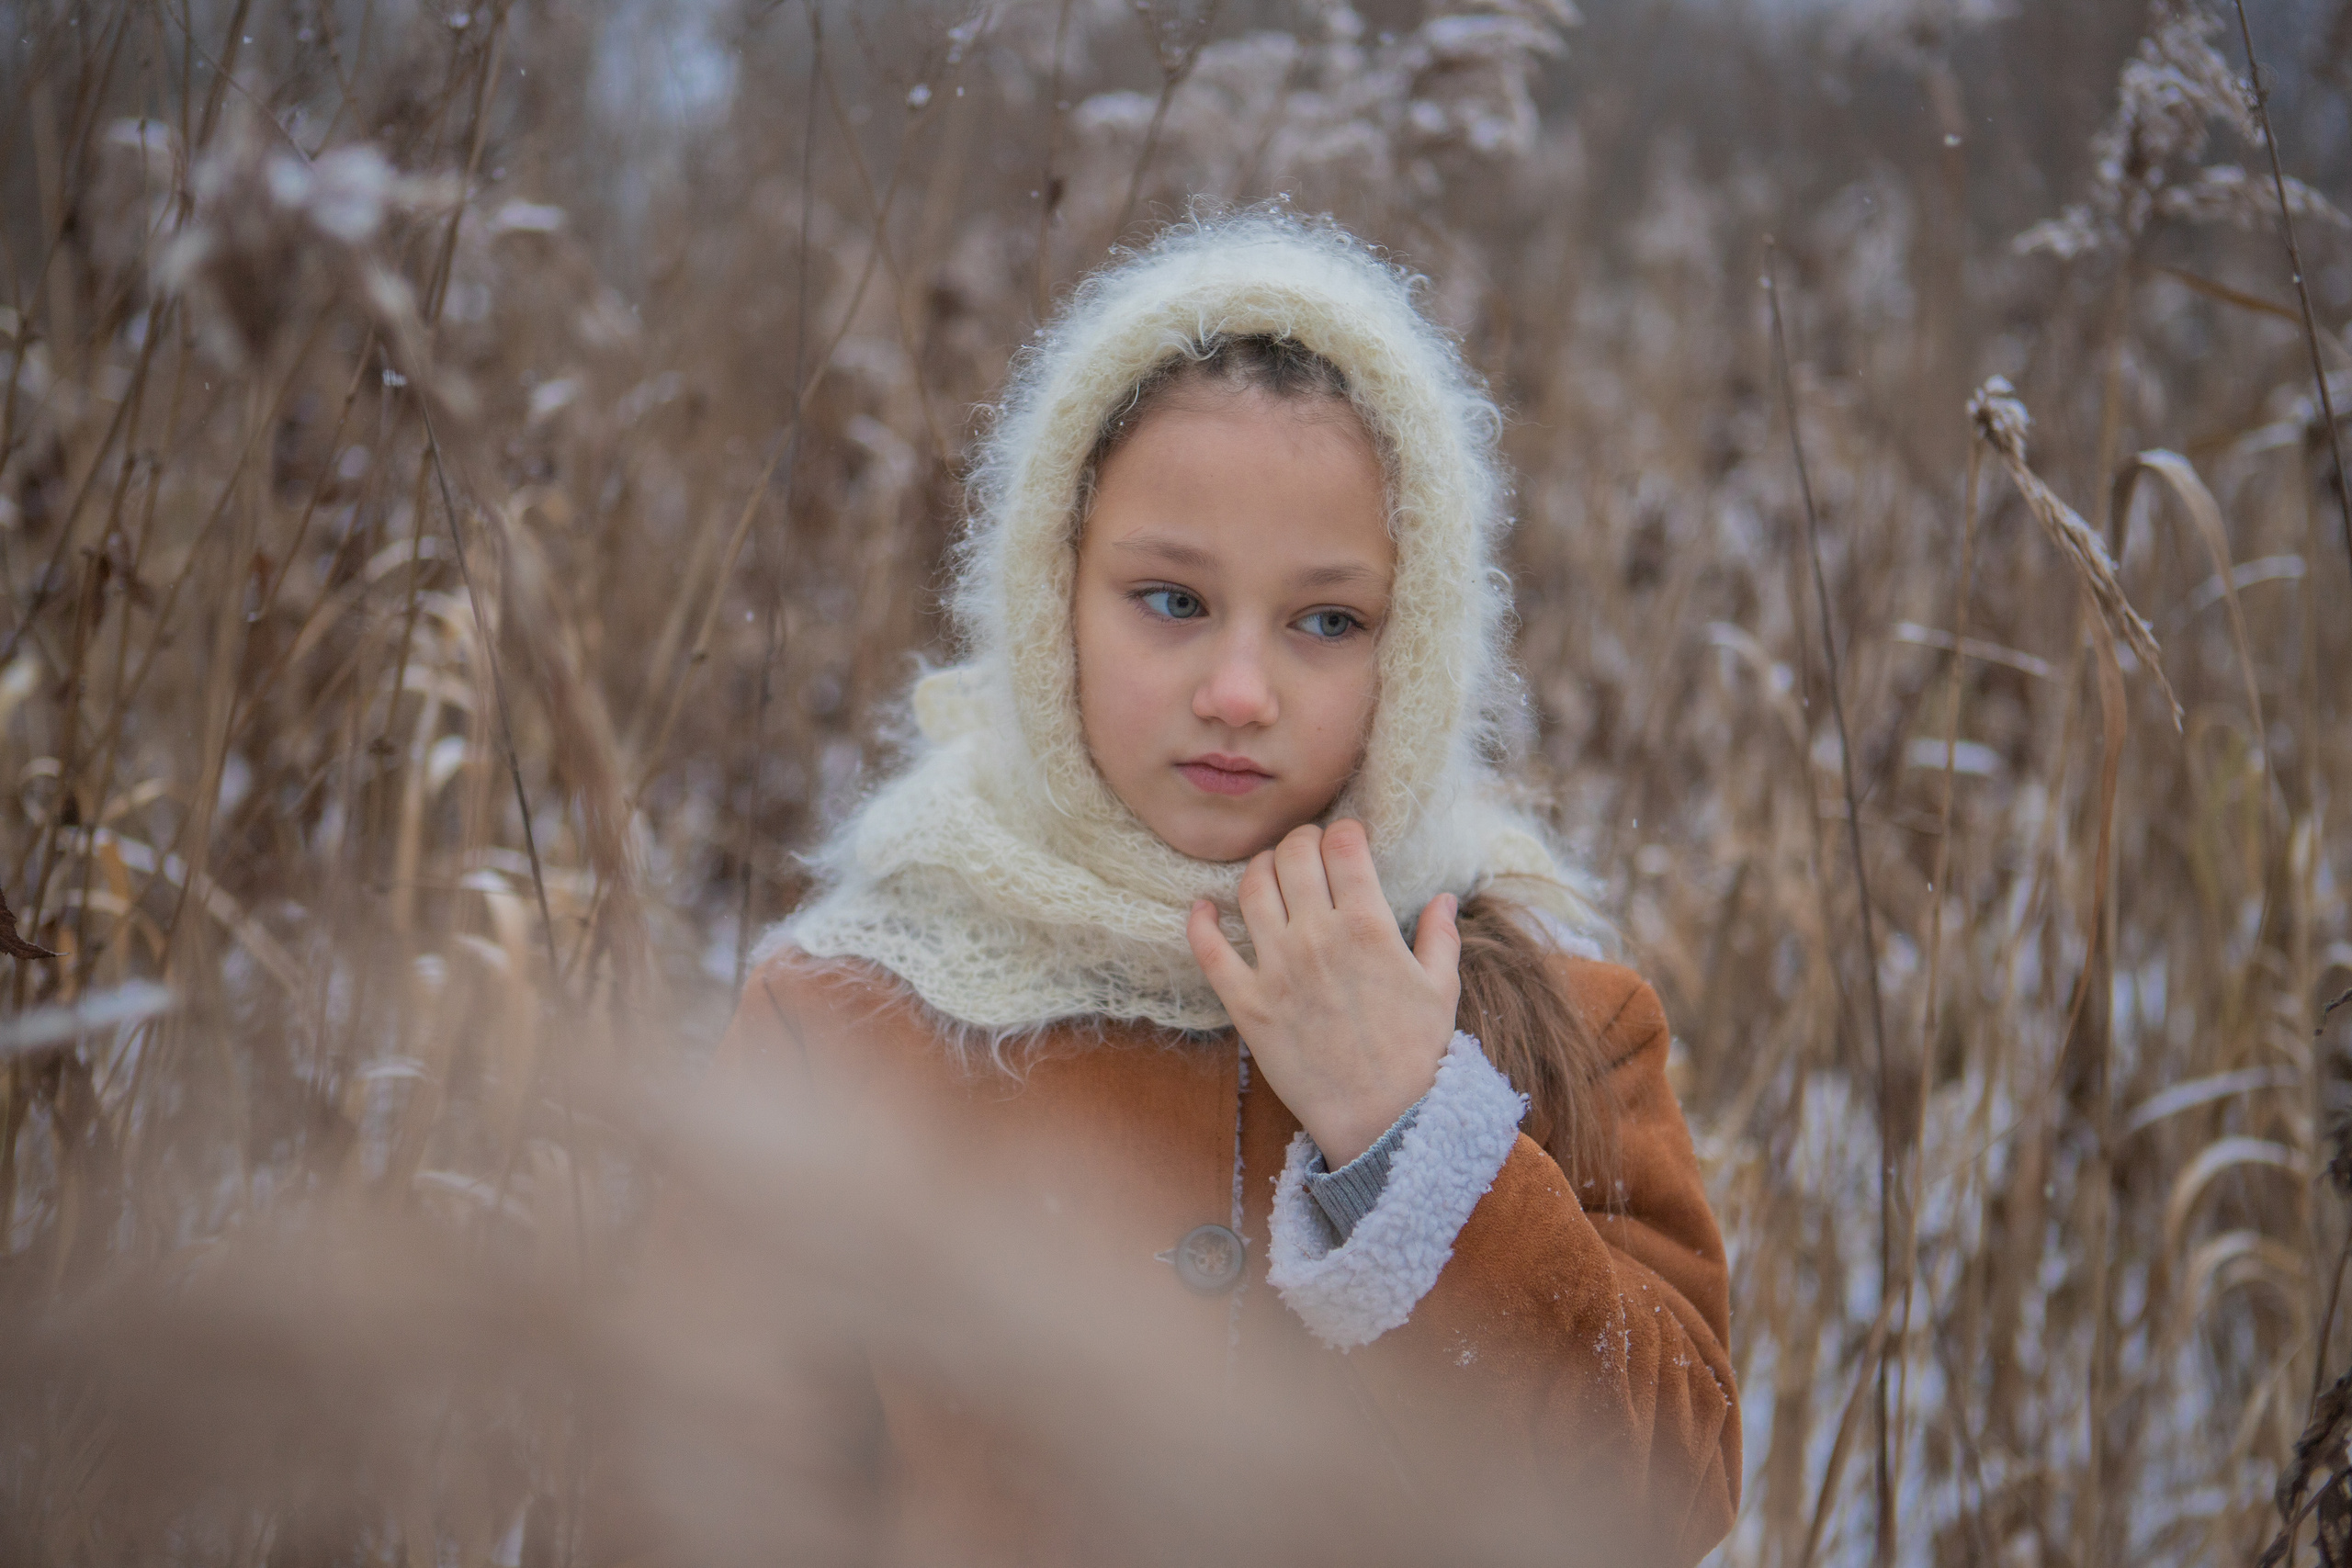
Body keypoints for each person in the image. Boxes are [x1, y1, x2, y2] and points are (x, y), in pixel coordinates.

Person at [710, 209, 1739, 1565]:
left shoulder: (1550, 1022)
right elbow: (702, 1493)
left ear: (1416, 644)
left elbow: (1655, 1515)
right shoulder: (848, 1019)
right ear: (1050, 593)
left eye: (1328, 621)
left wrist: (1412, 1141)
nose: (1239, 693)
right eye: (1171, 600)